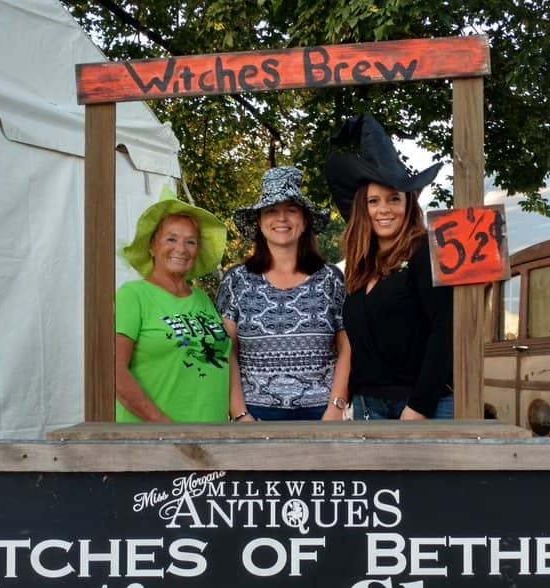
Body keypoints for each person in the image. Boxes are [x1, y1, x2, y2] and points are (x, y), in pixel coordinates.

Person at [326, 113, 454, 420]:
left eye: (394, 199)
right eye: (374, 201)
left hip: (422, 405)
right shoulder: (360, 265)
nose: (384, 209)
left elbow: (445, 330)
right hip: (369, 406)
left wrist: (419, 406)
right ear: (363, 207)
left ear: (408, 204)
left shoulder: (424, 253)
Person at [217, 166, 351, 422]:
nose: (281, 218)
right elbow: (227, 350)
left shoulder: (331, 278)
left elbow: (347, 345)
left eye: (291, 210)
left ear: (304, 221)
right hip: (256, 415)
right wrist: (240, 414)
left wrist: (336, 406)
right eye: (271, 210)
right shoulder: (236, 281)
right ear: (259, 222)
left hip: (322, 414)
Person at [115, 185, 230, 422]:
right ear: (152, 246)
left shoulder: (202, 299)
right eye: (171, 239)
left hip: (211, 434)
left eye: (191, 242)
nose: (181, 249)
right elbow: (113, 371)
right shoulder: (133, 295)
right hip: (156, 436)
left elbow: (224, 362)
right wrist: (163, 426)